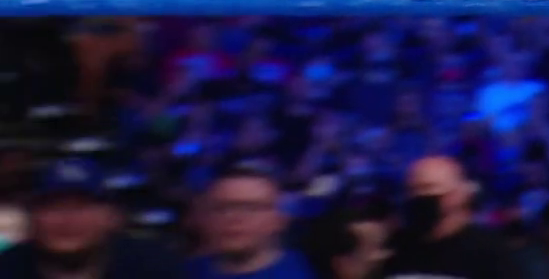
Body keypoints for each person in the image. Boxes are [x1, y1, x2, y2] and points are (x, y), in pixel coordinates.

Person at [0, 159, 188, 279]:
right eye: (53, 208)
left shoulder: (154, 268)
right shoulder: (7, 269)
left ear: (112, 217)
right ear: (32, 217)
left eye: (82, 208)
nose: (68, 221)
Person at [381, 156, 517, 279]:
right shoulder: (397, 246)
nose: (419, 195)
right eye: (412, 189)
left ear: (458, 195)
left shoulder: (489, 251)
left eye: (428, 187)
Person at [190, 167, 315, 279]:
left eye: (251, 207)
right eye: (222, 208)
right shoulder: (188, 270)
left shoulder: (307, 272)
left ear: (280, 219)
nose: (234, 218)